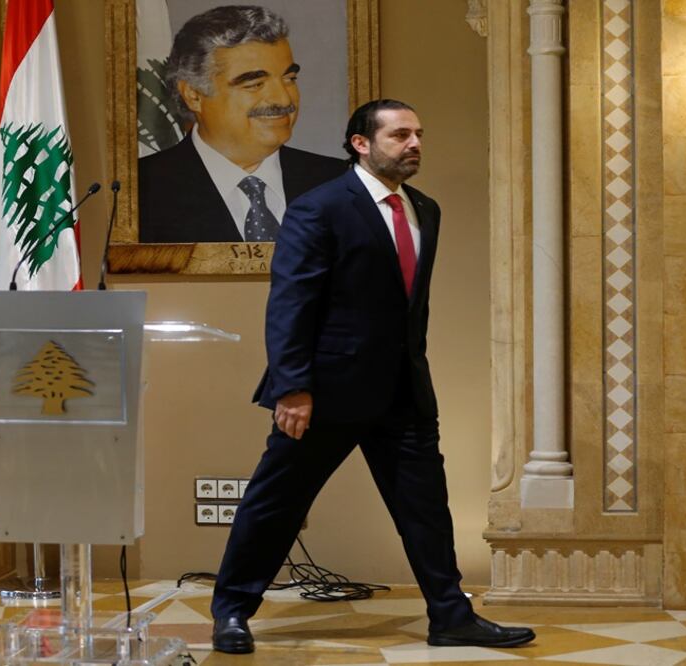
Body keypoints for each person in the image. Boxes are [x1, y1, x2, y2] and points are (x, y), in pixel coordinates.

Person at [208, 99, 537, 654]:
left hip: (404, 392)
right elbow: (291, 303)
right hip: (324, 394)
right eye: (400, 134)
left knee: (426, 507)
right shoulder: (320, 208)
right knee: (275, 505)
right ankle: (233, 612)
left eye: (419, 134)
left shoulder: (425, 209)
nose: (414, 144)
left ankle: (451, 616)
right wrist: (292, 387)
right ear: (361, 143)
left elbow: (409, 308)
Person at [138, 5, 345, 243]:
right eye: (254, 84)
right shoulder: (140, 191)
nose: (284, 99)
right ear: (194, 95)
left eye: (289, 79)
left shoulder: (340, 182)